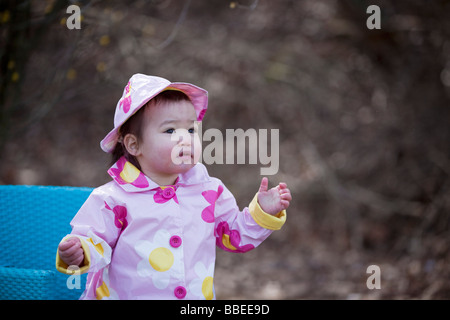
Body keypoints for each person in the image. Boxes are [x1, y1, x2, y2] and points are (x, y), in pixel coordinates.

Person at [56, 74, 291, 300]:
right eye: (170, 130)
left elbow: (234, 236)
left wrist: (262, 213)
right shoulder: (113, 199)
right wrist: (79, 252)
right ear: (134, 144)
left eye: (191, 130)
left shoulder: (208, 191)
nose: (185, 139)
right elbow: (95, 240)